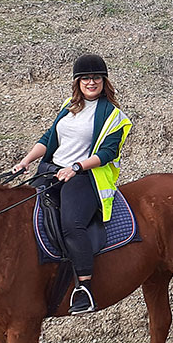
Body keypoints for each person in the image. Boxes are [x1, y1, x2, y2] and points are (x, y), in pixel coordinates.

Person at [12, 53, 133, 313]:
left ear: (104, 81)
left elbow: (108, 153)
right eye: (86, 78)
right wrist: (25, 161)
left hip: (86, 177)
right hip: (52, 171)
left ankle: (84, 287)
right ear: (77, 82)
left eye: (96, 78)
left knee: (71, 223)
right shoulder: (70, 105)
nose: (91, 82)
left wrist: (76, 167)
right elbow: (49, 137)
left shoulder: (115, 116)